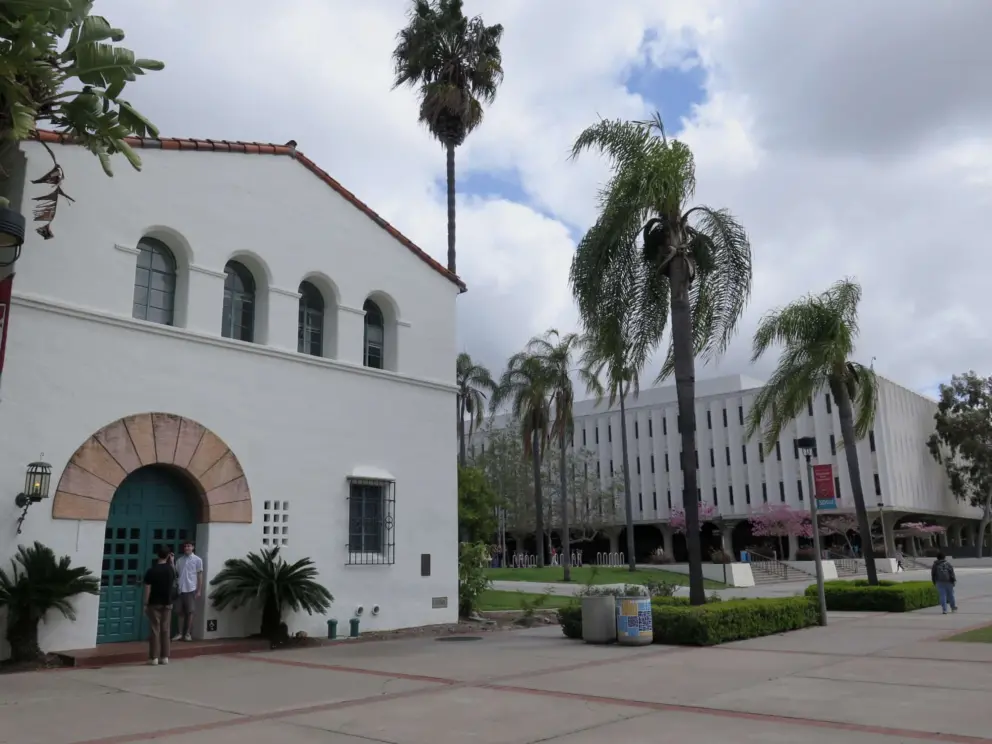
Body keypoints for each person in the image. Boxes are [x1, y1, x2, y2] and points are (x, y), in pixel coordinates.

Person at [143, 545, 175, 666]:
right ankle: (165, 656)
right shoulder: (170, 570)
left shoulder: (152, 570)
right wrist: (171, 562)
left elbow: (147, 588)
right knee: (165, 629)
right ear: (168, 556)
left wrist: (145, 603)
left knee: (155, 629)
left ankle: (154, 657)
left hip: (154, 602)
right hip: (167, 602)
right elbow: (175, 576)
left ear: (157, 555)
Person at [173, 541, 203, 641]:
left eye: (189, 546)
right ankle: (180, 633)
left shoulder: (197, 560)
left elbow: (199, 575)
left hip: (191, 589)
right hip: (181, 589)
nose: (187, 548)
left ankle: (188, 633)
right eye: (185, 546)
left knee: (190, 612)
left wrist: (199, 590)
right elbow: (176, 573)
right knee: (179, 612)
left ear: (193, 547)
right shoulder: (180, 560)